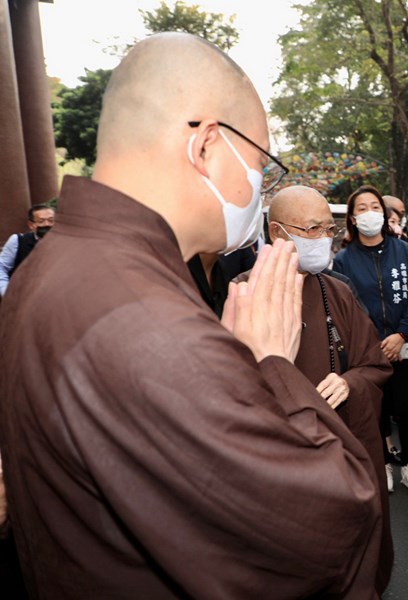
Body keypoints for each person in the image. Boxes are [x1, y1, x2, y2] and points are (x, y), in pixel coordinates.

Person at [0, 33, 383, 598]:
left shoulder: (54, 266)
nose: (261, 186)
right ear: (207, 146)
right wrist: (270, 365)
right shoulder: (146, 321)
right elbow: (326, 525)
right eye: (260, 163)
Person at [264, 185, 395, 593]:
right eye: (312, 228)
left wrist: (349, 381)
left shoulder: (335, 290)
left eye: (328, 228)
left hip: (345, 438)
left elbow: (373, 362)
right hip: (286, 453)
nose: (324, 238)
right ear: (277, 234)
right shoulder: (249, 294)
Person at [332, 185, 408, 498]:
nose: (369, 212)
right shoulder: (344, 259)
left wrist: (401, 334)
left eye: (374, 206)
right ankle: (384, 463)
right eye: (361, 208)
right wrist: (376, 343)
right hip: (369, 349)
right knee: (377, 408)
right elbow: (348, 306)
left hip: (406, 343)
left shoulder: (403, 251)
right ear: (352, 217)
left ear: (384, 213)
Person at [0, 203, 55, 296]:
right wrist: (6, 293)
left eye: (51, 220)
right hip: (23, 298)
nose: (47, 224)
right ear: (31, 225)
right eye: (41, 221)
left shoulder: (66, 243)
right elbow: (1, 268)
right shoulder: (18, 241)